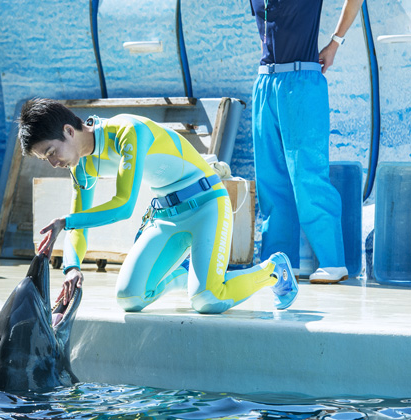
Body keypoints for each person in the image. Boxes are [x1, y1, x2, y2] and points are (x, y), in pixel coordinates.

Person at [18, 98, 298, 314]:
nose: (54, 163)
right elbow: (80, 226)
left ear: (68, 130)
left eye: (52, 152)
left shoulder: (126, 131)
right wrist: (72, 268)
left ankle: (273, 270)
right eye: (46, 159)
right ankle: (186, 273)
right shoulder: (81, 166)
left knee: (207, 299)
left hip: (207, 205)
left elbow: (123, 206)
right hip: (166, 216)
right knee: (130, 297)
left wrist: (65, 222)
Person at [250, 0, 364, 284]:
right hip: (265, 83)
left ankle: (333, 262)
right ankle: (279, 262)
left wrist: (335, 43)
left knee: (308, 177)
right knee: (271, 181)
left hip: (302, 82)